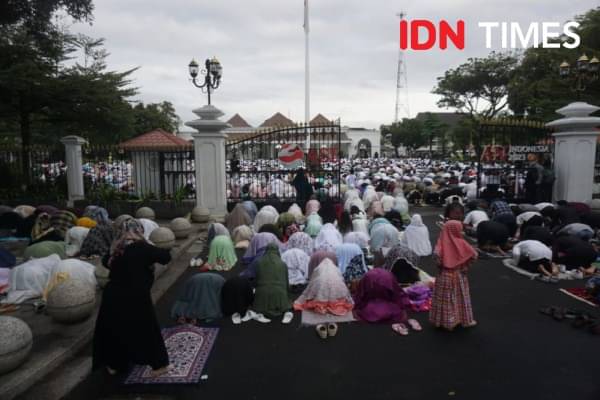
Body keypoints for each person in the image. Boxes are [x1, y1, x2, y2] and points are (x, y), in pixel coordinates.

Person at [93, 219, 172, 376]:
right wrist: (145, 242)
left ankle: (115, 364)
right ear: (139, 231)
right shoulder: (142, 247)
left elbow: (106, 262)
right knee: (147, 331)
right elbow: (165, 257)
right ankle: (159, 365)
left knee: (115, 330)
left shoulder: (117, 248)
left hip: (113, 296)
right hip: (136, 296)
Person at [430, 220, 478, 330]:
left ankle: (444, 322)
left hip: (444, 276)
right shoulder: (462, 243)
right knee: (460, 299)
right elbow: (474, 255)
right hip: (459, 275)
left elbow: (436, 258)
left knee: (444, 300)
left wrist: (442, 265)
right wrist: (465, 266)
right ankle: (463, 320)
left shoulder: (440, 242)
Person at [252, 243, 294, 323]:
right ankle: (285, 311)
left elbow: (256, 281)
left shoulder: (259, 263)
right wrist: (288, 297)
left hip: (262, 296)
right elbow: (286, 283)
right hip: (280, 295)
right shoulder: (282, 264)